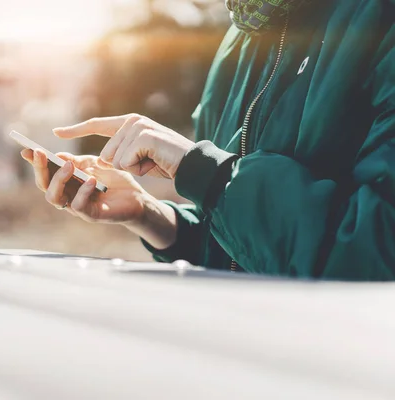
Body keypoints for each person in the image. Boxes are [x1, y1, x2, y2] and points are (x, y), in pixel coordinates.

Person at [21, 0, 395, 281]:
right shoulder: (240, 37)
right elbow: (242, 251)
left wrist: (208, 175)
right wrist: (150, 216)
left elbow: (378, 249)